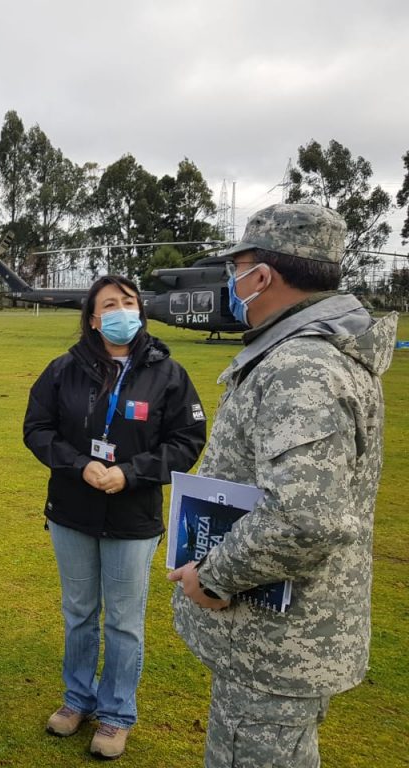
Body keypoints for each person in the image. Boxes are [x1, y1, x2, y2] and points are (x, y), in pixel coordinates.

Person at [169, 204, 396, 768]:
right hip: (277, 637)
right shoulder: (308, 354)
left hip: (277, 641)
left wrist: (214, 577)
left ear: (262, 276)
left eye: (236, 268)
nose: (232, 282)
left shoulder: (300, 368)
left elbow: (303, 517)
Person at [23, 274, 206, 759]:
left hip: (133, 515)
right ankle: (76, 700)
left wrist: (130, 473)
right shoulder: (63, 370)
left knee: (123, 621)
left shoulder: (169, 373)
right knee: (79, 614)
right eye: (110, 303)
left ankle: (116, 713)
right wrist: (80, 465)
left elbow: (187, 442)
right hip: (73, 512)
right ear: (93, 318)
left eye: (129, 301)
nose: (122, 309)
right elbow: (37, 429)